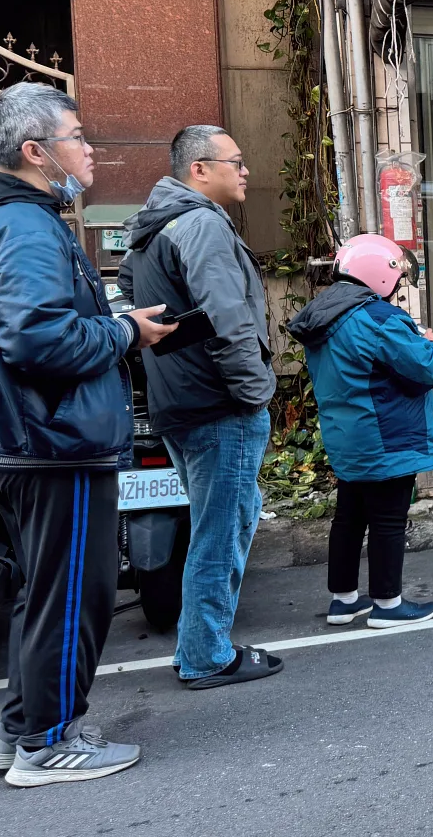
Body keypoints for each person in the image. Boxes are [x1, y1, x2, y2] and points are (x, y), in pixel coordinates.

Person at [0, 83, 176, 785]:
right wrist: (124, 331)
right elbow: (38, 340)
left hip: (20, 437)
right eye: (76, 137)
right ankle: (47, 743)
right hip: (53, 441)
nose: (89, 150)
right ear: (35, 151)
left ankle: (19, 726)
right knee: (76, 593)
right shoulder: (24, 226)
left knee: (47, 590)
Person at [123, 125, 279, 688]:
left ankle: (198, 644)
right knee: (222, 530)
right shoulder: (201, 225)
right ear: (199, 169)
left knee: (215, 524)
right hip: (219, 405)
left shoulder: (150, 227)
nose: (245, 171)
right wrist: (254, 391)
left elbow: (133, 298)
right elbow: (229, 319)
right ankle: (207, 655)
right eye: (235, 161)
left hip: (178, 401)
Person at [287, 234, 433, 627]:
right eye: (397, 277)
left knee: (349, 517)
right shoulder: (377, 317)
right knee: (388, 520)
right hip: (387, 433)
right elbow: (427, 368)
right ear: (380, 274)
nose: (397, 285)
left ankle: (343, 600)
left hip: (346, 434)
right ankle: (388, 604)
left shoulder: (325, 313)